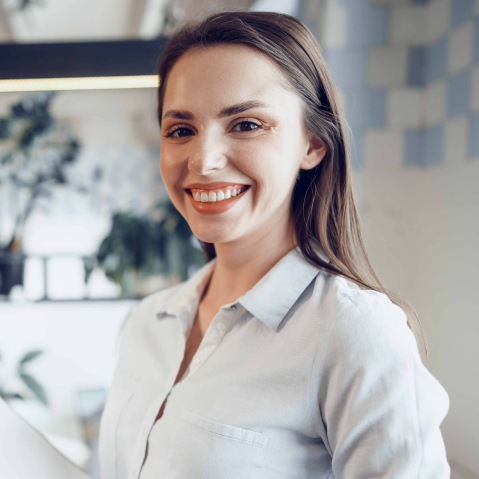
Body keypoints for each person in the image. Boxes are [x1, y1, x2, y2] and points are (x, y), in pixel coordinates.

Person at [98, 10, 450, 479]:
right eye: (181, 130)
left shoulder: (354, 333)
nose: (203, 161)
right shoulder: (147, 323)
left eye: (246, 124)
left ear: (313, 144)